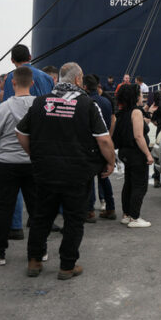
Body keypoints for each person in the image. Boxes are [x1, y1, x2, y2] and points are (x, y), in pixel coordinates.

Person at [16, 63, 116, 279]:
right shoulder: (87, 105)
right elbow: (104, 140)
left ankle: (34, 261)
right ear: (78, 79)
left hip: (45, 172)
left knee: (41, 217)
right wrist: (111, 162)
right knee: (73, 219)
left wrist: (35, 155)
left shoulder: (40, 102)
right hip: (76, 174)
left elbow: (21, 132)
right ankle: (67, 266)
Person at [0, 66, 37, 266]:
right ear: (32, 83)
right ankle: (39, 252)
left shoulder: (3, 108)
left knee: (5, 209)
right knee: (37, 209)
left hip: (7, 164)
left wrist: (3, 144)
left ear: (13, 83)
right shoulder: (40, 106)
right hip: (33, 164)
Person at [112, 84, 153, 228]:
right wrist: (148, 154)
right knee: (140, 185)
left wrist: (148, 111)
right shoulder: (136, 111)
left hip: (126, 152)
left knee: (129, 183)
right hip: (136, 153)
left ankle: (127, 214)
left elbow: (139, 125)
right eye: (141, 94)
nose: (142, 96)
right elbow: (138, 136)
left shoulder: (124, 112)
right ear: (136, 97)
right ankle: (135, 217)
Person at [83, 75, 117, 221]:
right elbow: (110, 123)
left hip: (89, 145)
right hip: (104, 143)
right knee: (104, 177)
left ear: (84, 87)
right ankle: (110, 208)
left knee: (89, 180)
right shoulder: (106, 102)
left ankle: (89, 211)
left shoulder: (85, 103)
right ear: (98, 86)